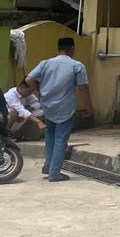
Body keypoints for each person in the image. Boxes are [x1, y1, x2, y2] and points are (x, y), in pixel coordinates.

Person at [26, 37, 91, 182]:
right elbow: (83, 88)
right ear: (72, 49)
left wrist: (37, 92)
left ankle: (48, 165)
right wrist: (88, 107)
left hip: (47, 107)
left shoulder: (45, 63)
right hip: (65, 108)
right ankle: (54, 173)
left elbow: (29, 79)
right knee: (61, 138)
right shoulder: (77, 65)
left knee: (50, 135)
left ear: (58, 48)